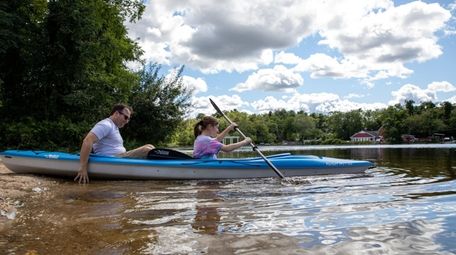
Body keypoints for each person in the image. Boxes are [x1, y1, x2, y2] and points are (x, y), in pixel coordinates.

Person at [74, 104, 155, 184]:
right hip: (112, 159)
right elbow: (87, 141)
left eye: (128, 119)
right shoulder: (106, 125)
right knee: (147, 149)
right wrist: (83, 168)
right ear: (116, 113)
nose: (127, 121)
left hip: (118, 157)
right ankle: (162, 169)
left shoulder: (113, 126)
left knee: (149, 146)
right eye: (126, 117)